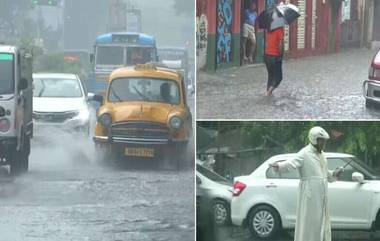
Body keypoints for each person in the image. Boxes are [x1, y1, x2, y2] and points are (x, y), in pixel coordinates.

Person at [270, 126, 344, 241]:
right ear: (314, 139)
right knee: (309, 224)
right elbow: (291, 163)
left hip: (322, 197)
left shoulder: (322, 155)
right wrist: (279, 166)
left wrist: (335, 173)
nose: (324, 143)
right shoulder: (305, 153)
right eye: (321, 140)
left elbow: (324, 174)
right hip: (310, 196)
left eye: (324, 140)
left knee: (321, 223)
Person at [264, 23, 284, 96]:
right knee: (279, 77)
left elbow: (267, 42)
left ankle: (269, 92)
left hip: (267, 56)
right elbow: (280, 44)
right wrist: (280, 55)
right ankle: (268, 92)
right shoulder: (280, 29)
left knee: (271, 76)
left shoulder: (269, 29)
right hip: (275, 56)